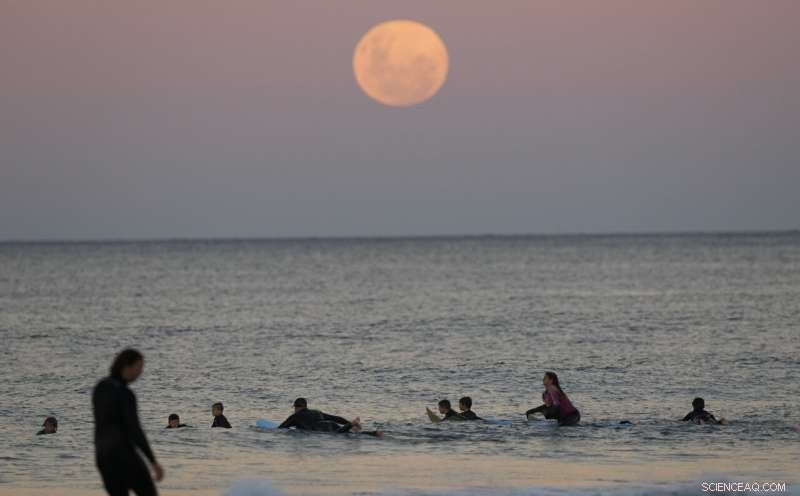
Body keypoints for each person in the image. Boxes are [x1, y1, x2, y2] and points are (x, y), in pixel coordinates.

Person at [93, 348, 164, 496]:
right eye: (139, 367)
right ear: (126, 366)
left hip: (102, 456)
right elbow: (134, 429)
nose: (140, 373)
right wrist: (153, 461)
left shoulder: (100, 387)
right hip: (123, 454)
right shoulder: (125, 394)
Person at [279, 398, 382, 437]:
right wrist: (346, 421)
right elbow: (336, 418)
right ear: (306, 406)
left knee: (338, 435)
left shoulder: (295, 416)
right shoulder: (316, 411)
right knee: (347, 433)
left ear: (296, 407)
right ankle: (374, 433)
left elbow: (281, 428)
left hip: (322, 429)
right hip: (330, 424)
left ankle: (351, 424)